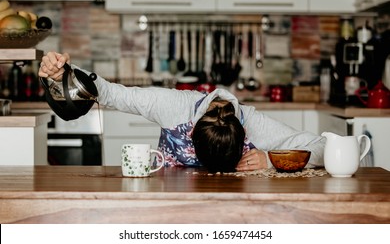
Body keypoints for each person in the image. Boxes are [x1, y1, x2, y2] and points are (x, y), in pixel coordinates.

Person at [39, 52, 325, 173]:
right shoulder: (173, 106)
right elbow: (112, 93)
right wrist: (62, 74)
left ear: (244, 135)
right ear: (190, 130)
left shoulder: (255, 124)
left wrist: (271, 160)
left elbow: (323, 147)